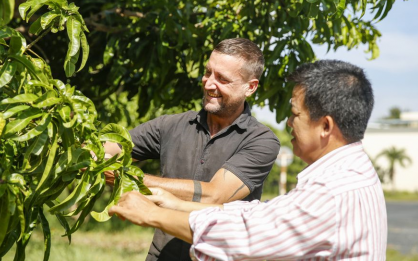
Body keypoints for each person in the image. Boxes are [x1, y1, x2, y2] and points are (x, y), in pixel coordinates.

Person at [109, 59, 388, 260]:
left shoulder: (332, 193)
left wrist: (151, 212)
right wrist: (176, 203)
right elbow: (261, 213)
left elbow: (246, 235)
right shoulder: (351, 174)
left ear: (325, 126)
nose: (288, 122)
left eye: (294, 114)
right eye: (208, 73)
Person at [104, 38, 280, 260]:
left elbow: (215, 196)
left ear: (250, 87)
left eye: (222, 79)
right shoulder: (170, 125)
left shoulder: (261, 140)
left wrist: (129, 178)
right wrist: (95, 155)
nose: (208, 84)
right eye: (208, 73)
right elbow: (111, 146)